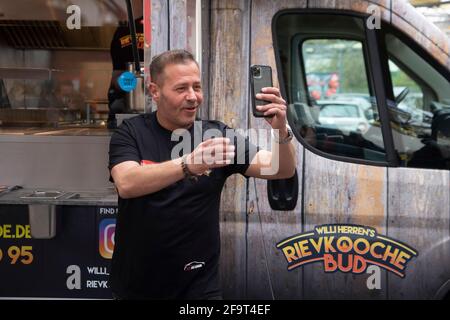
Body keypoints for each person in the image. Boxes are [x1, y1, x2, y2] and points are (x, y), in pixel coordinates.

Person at [108, 50, 297, 299]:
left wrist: (281, 130)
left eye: (197, 86)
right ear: (155, 91)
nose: (192, 97)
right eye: (181, 88)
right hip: (137, 287)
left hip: (199, 287)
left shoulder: (216, 135)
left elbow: (279, 168)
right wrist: (188, 164)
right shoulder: (130, 132)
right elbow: (127, 183)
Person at [107, 14, 144, 129]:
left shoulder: (124, 29)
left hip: (129, 112)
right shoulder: (125, 30)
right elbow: (117, 77)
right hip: (126, 110)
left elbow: (116, 76)